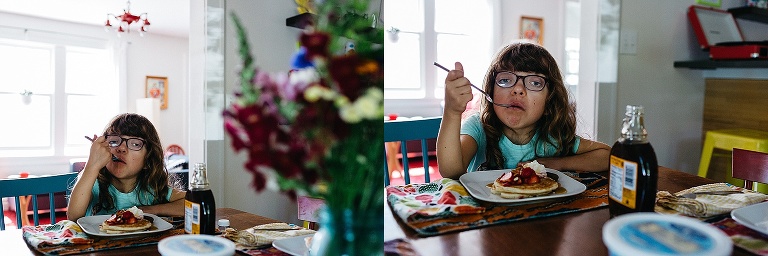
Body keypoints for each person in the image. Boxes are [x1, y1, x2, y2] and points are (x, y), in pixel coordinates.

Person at [437, 42, 611, 180]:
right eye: (505, 80)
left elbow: (608, 155)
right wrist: (452, 111)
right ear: (490, 91)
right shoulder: (478, 127)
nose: (518, 89)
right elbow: (451, 172)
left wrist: (560, 163)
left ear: (549, 101)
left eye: (535, 82)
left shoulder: (552, 136)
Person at [68, 113, 185, 220]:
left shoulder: (152, 187)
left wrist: (150, 210)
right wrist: (92, 165)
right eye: (114, 141)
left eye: (135, 144)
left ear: (148, 160)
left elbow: (194, 203)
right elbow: (73, 217)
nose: (121, 148)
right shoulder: (92, 181)